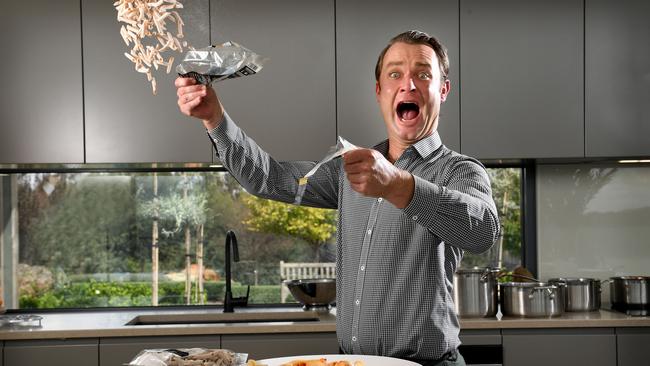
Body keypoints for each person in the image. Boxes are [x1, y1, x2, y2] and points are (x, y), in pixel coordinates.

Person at [176, 30, 500, 366]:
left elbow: (482, 232)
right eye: (394, 74)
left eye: (423, 74)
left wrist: (396, 185)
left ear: (442, 90)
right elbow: (269, 178)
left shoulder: (460, 170)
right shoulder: (352, 169)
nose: (409, 84)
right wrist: (215, 118)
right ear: (379, 91)